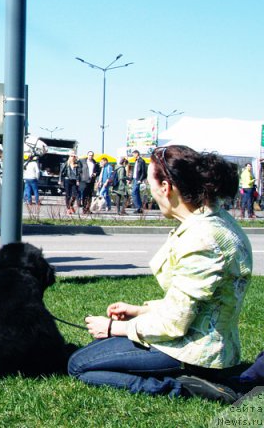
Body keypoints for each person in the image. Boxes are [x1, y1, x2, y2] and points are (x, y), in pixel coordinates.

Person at [68, 145, 252, 403]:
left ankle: (181, 386)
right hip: (209, 341)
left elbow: (175, 323)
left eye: (149, 182)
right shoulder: (215, 220)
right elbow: (193, 303)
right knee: (88, 355)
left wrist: (114, 327)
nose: (150, 191)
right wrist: (139, 311)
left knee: (79, 366)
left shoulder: (203, 238)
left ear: (166, 186)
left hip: (193, 350)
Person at [131, 149, 148, 214]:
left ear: (137, 154)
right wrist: (131, 179)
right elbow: (135, 171)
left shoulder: (141, 161)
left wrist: (140, 179)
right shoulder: (136, 161)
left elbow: (144, 172)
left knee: (134, 192)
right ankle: (139, 208)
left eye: (133, 154)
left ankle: (138, 207)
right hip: (135, 179)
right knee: (136, 193)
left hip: (138, 179)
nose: (133, 155)